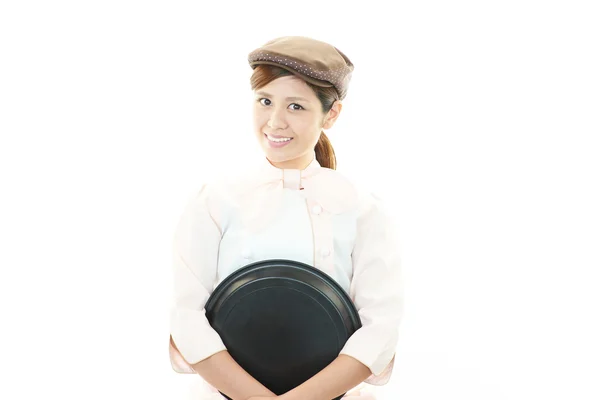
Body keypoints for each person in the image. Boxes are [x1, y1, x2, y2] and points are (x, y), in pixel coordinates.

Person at [168, 36, 403, 400]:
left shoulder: (361, 208)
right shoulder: (215, 199)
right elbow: (187, 318)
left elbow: (380, 328)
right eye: (265, 101)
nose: (275, 122)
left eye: (296, 106)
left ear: (332, 114)